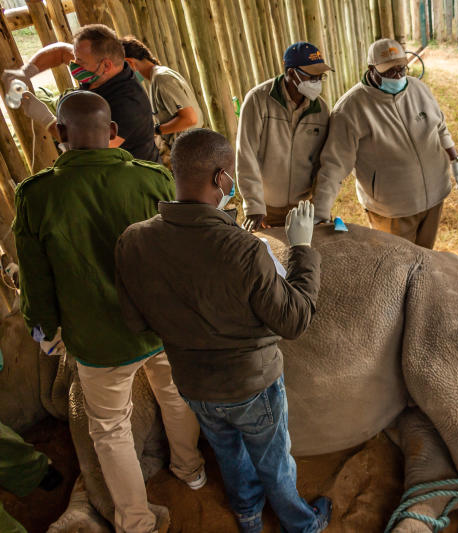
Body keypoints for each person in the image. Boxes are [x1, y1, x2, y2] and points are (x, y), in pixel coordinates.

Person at [114, 129, 331, 533]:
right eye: (230, 174)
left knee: (228, 454)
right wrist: (302, 248)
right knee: (274, 460)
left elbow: (137, 323)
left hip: (194, 385)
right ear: (220, 179)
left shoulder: (133, 241)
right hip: (252, 384)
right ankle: (301, 524)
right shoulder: (245, 250)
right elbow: (295, 320)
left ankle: (248, 517)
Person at [12, 91, 204, 533]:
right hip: (159, 326)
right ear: (113, 132)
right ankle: (191, 470)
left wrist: (42, 329)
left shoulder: (35, 195)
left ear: (59, 133)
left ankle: (136, 521)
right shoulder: (151, 177)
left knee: (111, 430)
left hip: (97, 341)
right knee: (175, 394)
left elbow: (35, 280)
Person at [312, 38, 458, 249]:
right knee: (396, 265)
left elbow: (440, 126)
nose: (398, 76)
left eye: (402, 69)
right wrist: (320, 212)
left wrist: (454, 158)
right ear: (371, 69)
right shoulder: (350, 109)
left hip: (435, 196)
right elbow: (334, 165)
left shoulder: (419, 88)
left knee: (426, 259)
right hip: (392, 209)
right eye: (390, 72)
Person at [2, 24, 160, 162]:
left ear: (106, 65)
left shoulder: (129, 105)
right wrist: (25, 72)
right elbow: (60, 52)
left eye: (80, 62)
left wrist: (46, 119)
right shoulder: (98, 68)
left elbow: (88, 150)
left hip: (135, 178)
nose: (74, 65)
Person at [237, 41, 332, 232]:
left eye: (320, 76)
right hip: (267, 206)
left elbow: (324, 163)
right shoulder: (257, 100)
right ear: (290, 73)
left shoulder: (320, 110)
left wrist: (320, 207)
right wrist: (254, 206)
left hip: (304, 206)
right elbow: (246, 155)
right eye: (311, 76)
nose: (317, 81)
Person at [121, 36, 203, 152]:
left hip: (190, 150)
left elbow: (189, 119)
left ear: (129, 62)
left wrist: (155, 130)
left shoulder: (162, 78)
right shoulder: (156, 78)